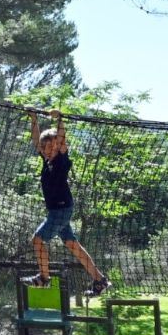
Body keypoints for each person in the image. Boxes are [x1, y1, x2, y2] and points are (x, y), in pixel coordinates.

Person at [27, 107, 108, 295]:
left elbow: (62, 140)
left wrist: (60, 119)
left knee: (38, 240)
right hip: (57, 210)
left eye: (52, 146)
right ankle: (100, 280)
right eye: (46, 147)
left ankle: (44, 278)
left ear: (58, 146)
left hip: (61, 210)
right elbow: (37, 141)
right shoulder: (47, 161)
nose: (48, 150)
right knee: (72, 245)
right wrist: (33, 119)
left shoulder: (61, 160)